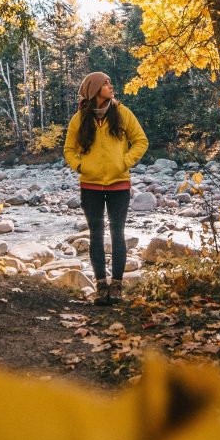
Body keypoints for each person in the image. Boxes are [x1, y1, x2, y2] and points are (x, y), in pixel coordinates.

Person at [63, 71, 148, 306]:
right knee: (96, 235)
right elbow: (69, 150)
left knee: (117, 234)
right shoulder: (79, 119)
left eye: (110, 82)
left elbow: (141, 140)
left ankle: (117, 286)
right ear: (94, 89)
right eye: (106, 84)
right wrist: (80, 166)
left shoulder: (121, 112)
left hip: (119, 184)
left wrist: (125, 162)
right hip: (89, 185)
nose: (111, 87)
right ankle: (101, 285)